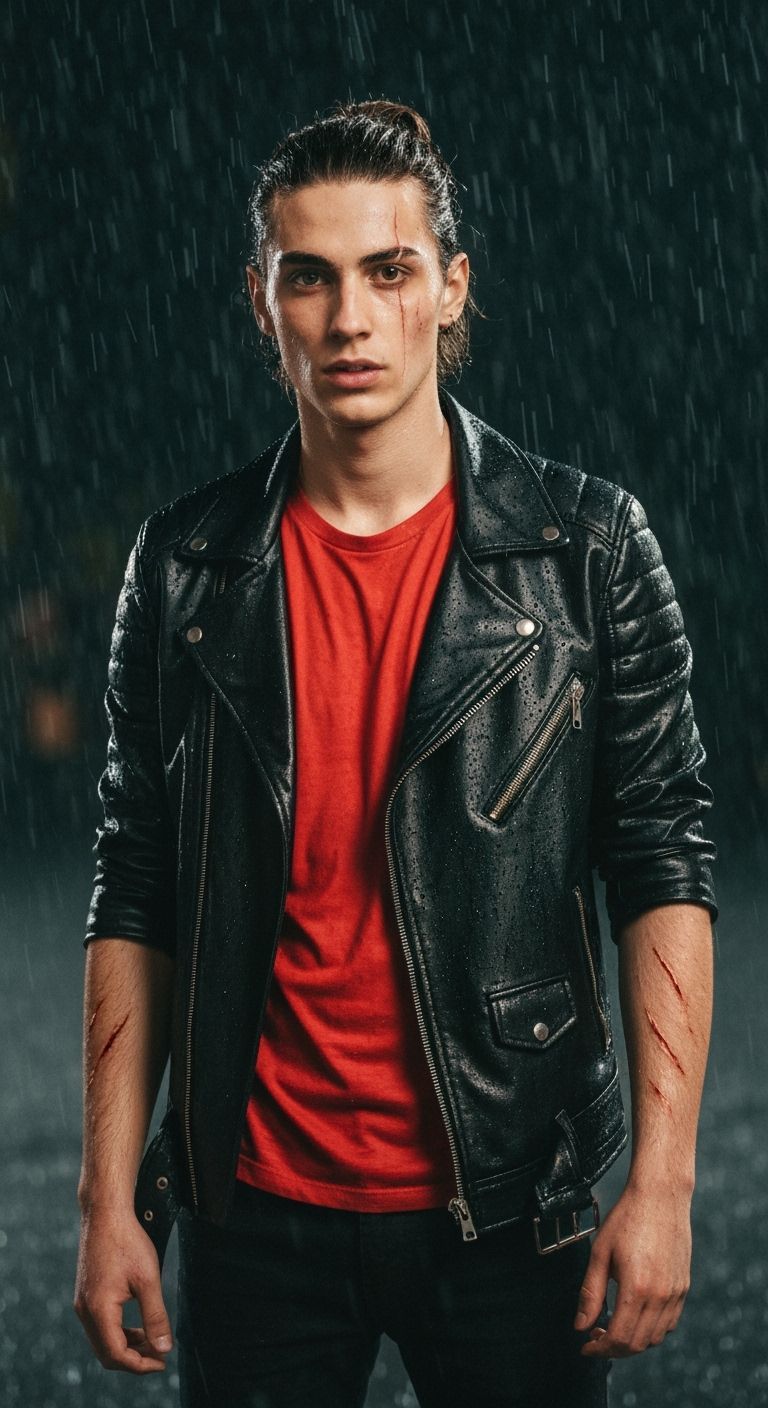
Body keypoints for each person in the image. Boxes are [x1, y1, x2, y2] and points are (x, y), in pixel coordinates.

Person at [74, 99, 718, 1408]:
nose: (349, 317)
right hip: (255, 1214)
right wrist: (107, 1200)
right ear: (262, 301)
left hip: (511, 1209)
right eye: (307, 276)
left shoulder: (585, 552)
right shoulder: (191, 567)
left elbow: (661, 862)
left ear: (449, 287)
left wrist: (659, 1184)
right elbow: (133, 883)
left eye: (388, 269)